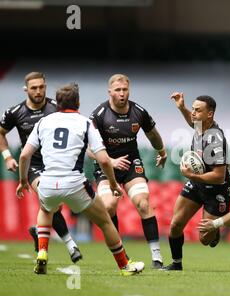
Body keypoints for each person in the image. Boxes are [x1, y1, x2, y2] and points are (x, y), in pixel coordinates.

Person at [16, 83, 145, 276]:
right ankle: (125, 266)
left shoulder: (43, 122)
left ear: (57, 103)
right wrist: (112, 184)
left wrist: (23, 180)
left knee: (45, 209)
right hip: (75, 184)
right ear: (78, 102)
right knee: (105, 222)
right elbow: (103, 159)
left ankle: (42, 251)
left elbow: (24, 156)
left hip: (47, 182)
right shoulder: (85, 123)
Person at [0, 71, 82, 263]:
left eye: (41, 87)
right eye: (34, 88)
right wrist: (7, 157)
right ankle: (71, 246)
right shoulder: (15, 112)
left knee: (55, 204)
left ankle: (40, 230)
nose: (38, 91)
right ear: (26, 89)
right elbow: (1, 132)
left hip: (58, 163)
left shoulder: (56, 107)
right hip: (34, 166)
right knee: (50, 200)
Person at [89, 74, 166, 269]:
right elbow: (87, 147)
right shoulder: (98, 115)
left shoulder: (138, 112)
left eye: (125, 90)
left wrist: (162, 151)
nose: (122, 94)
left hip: (131, 163)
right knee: (108, 206)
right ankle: (122, 255)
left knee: (143, 202)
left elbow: (153, 134)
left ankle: (157, 257)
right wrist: (109, 161)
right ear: (110, 92)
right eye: (117, 90)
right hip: (106, 165)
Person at [162, 92, 230, 271]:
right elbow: (191, 121)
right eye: (192, 109)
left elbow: (219, 176)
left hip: (217, 190)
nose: (193, 114)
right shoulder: (200, 126)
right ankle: (176, 264)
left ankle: (215, 232)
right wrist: (181, 108)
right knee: (176, 224)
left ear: (210, 114)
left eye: (197, 111)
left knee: (204, 239)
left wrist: (192, 176)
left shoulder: (215, 139)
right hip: (197, 183)